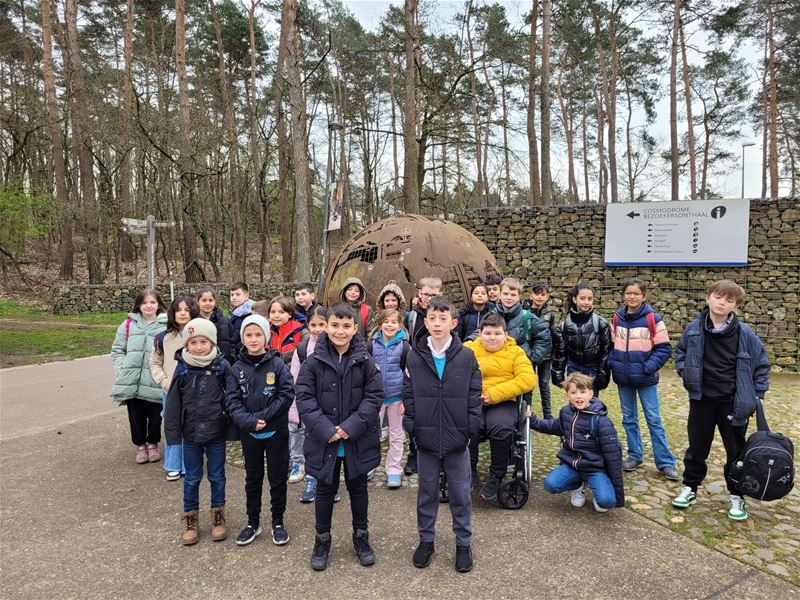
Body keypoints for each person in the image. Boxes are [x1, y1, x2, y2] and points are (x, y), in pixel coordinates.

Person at [672, 280, 770, 521]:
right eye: (718, 297)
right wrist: (686, 373)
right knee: (697, 447)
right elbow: (680, 353)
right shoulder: (694, 329)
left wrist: (756, 395)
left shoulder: (745, 334)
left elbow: (762, 365)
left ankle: (737, 495)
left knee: (735, 452)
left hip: (733, 402)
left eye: (729, 300)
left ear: (735, 306)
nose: (721, 302)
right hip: (702, 399)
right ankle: (690, 488)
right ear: (708, 298)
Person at [296, 303, 383, 571]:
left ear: (355, 328)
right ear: (325, 327)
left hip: (357, 438)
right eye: (334, 325)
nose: (340, 331)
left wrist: (350, 426)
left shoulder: (366, 360)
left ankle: (361, 537)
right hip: (325, 439)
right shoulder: (313, 361)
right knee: (324, 489)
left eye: (346, 326)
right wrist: (326, 429)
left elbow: (374, 396)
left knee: (358, 489)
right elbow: (305, 397)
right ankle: (322, 540)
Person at [403, 297, 482, 573]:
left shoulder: (467, 356)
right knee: (426, 493)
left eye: (443, 319)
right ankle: (426, 540)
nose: (437, 324)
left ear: (454, 323)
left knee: (460, 493)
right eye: (432, 319)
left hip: (457, 439)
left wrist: (471, 427)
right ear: (425, 322)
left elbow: (474, 395)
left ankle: (463, 542)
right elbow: (408, 394)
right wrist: (411, 424)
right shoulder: (414, 355)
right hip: (425, 439)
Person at [225, 314, 294, 546]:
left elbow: (286, 394)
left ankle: (278, 521)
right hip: (250, 434)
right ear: (242, 338)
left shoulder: (277, 364)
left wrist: (263, 417)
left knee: (277, 478)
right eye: (248, 335)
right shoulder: (236, 369)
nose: (253, 339)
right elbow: (232, 401)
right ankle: (253, 522)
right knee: (253, 479)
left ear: (266, 337)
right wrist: (249, 422)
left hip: (276, 432)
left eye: (258, 335)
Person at [164, 318, 231, 545]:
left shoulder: (222, 366)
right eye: (193, 342)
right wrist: (173, 435)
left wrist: (232, 426)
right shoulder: (182, 368)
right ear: (186, 344)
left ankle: (218, 515)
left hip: (216, 432)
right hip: (190, 433)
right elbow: (172, 403)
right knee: (192, 478)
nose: (199, 346)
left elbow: (231, 398)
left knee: (217, 476)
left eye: (204, 342)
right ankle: (190, 518)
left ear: (212, 343)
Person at [609, 278, 678, 480]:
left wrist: (647, 367)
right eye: (628, 293)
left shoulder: (653, 319)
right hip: (623, 379)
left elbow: (664, 348)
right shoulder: (617, 318)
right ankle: (635, 455)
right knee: (629, 419)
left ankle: (665, 462)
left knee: (654, 420)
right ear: (623, 295)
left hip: (646, 378)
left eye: (636, 293)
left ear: (644, 296)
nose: (632, 296)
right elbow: (611, 346)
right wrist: (613, 363)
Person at [529, 372, 625, 513]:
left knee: (606, 501)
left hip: (595, 468)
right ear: (567, 395)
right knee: (550, 484)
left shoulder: (601, 421)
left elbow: (613, 455)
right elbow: (553, 426)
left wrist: (618, 494)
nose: (578, 396)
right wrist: (533, 419)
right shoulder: (565, 413)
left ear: (591, 394)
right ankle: (577, 486)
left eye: (582, 392)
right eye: (573, 392)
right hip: (572, 465)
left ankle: (596, 486)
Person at [465, 313, 536, 499]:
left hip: (503, 401)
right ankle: (469, 471)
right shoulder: (468, 350)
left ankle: (496, 475)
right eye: (487, 333)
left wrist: (494, 394)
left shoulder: (516, 352)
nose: (492, 338)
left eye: (497, 333)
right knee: (469, 426)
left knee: (500, 427)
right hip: (473, 401)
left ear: (506, 334)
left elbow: (528, 379)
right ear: (480, 333)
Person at [111, 289, 168, 464]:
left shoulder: (166, 325)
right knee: (136, 416)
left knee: (156, 415)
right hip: (132, 380)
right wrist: (122, 370)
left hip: (154, 380)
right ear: (139, 306)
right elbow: (118, 350)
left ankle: (152, 444)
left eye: (152, 302)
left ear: (158, 304)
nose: (148, 306)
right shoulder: (128, 324)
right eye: (144, 303)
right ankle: (140, 446)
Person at [150, 295, 199, 481]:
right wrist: (164, 382)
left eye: (187, 310)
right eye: (179, 310)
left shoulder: (200, 336)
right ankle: (173, 464)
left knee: (191, 426)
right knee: (172, 426)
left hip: (193, 391)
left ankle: (190, 463)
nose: (183, 314)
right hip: (169, 391)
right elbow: (155, 363)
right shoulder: (162, 338)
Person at [402, 276, 442, 476]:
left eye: (433, 295)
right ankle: (414, 453)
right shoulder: (411, 316)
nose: (429, 298)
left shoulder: (445, 314)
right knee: (415, 414)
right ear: (419, 294)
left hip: (439, 369)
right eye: (426, 294)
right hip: (416, 370)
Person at [367, 309, 410, 489]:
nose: (390, 325)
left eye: (394, 322)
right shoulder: (371, 345)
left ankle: (393, 469)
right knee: (370, 433)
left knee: (396, 434)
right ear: (380, 324)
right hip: (375, 397)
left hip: (396, 397)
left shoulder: (404, 346)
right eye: (386, 322)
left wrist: (407, 400)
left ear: (399, 325)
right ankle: (368, 465)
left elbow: (410, 374)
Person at [289, 307, 329, 494]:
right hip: (308, 403)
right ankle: (311, 478)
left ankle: (327, 480)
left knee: (325, 442)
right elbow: (295, 378)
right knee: (306, 439)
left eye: (322, 324)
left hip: (329, 404)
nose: (317, 329)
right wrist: (295, 407)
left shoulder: (334, 345)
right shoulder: (303, 349)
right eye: (313, 325)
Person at [551, 283, 612, 397]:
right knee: (575, 400)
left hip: (592, 369)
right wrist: (557, 374)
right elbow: (560, 352)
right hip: (573, 368)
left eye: (590, 299)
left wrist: (603, 374)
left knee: (591, 403)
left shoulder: (601, 323)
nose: (586, 302)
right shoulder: (564, 326)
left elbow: (606, 351)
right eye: (582, 298)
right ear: (574, 299)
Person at [528, 282, 557, 419]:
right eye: (537, 294)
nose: (539, 297)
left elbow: (554, 334)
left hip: (545, 356)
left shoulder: (550, 314)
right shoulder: (524, 312)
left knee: (544, 385)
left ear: (547, 297)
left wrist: (555, 354)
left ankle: (548, 415)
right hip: (529, 354)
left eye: (543, 295)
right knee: (528, 385)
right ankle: (526, 414)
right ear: (531, 295)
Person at [256, 296, 305, 364]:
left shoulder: (299, 330)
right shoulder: (265, 330)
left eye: (281, 312)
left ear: (290, 314)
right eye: (273, 312)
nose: (276, 315)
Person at [195, 286, 235, 363]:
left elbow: (233, 340)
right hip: (201, 363)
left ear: (215, 302)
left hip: (223, 363)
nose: (207, 303)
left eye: (210, 300)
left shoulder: (224, 321)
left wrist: (232, 356)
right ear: (197, 302)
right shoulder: (194, 322)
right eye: (204, 300)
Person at [228, 281, 254, 358]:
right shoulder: (235, 312)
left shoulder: (249, 314)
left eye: (238, 294)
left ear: (246, 296)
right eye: (232, 295)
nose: (234, 297)